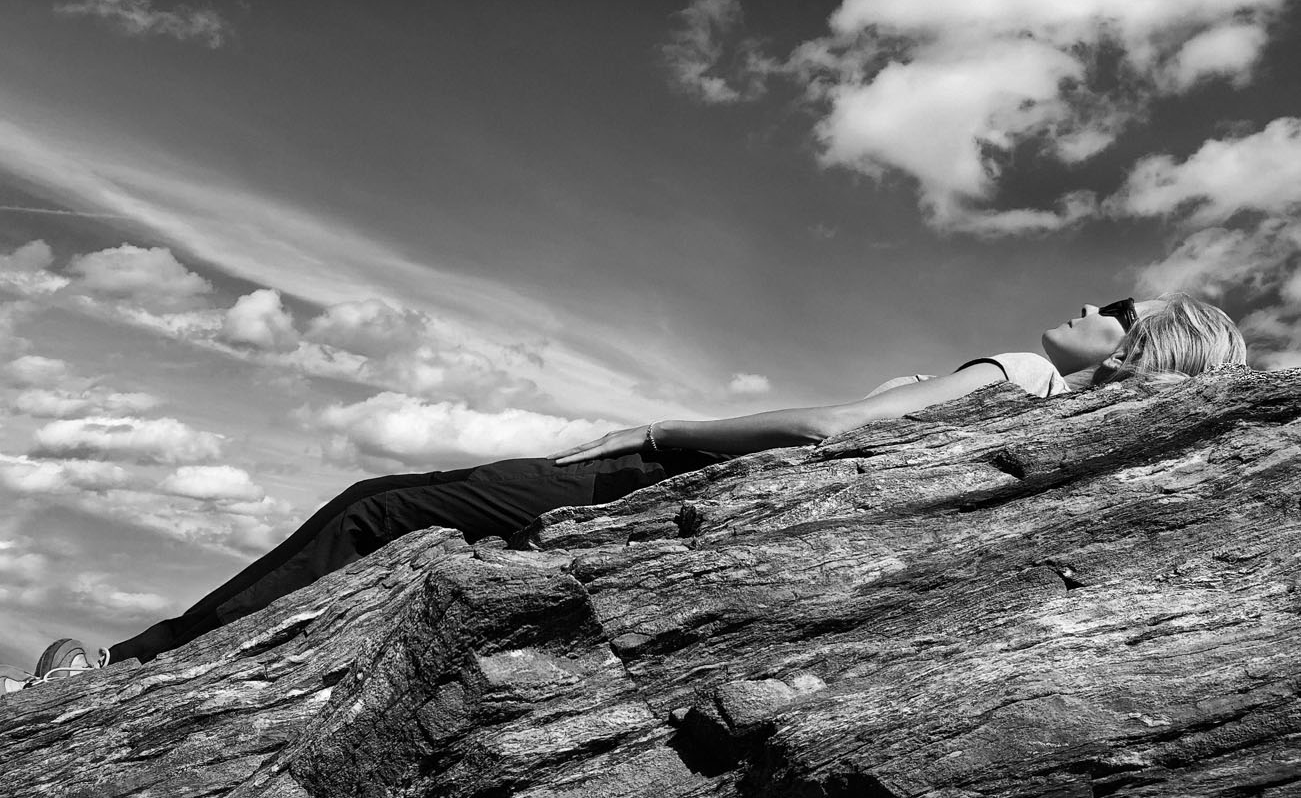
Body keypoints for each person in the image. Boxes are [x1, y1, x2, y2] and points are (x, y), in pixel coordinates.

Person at [1, 292, 1246, 692]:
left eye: (1115, 308)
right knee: (399, 524)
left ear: (1141, 347)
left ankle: (130, 664)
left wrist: (653, 427)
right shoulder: (1043, 436)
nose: (1087, 304)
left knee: (380, 505)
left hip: (654, 478)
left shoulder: (1017, 374)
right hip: (705, 527)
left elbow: (833, 424)